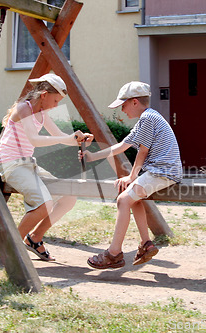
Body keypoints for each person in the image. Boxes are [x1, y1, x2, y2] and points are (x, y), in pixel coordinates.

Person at [80, 81, 183, 269]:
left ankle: (114, 254)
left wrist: (131, 177)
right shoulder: (148, 118)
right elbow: (123, 145)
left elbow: (142, 152)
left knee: (123, 200)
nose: (122, 110)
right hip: (161, 170)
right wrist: (93, 156)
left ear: (135, 102)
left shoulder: (148, 119)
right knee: (132, 198)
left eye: (123, 105)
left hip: (162, 171)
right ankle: (146, 244)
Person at [0, 73, 93, 261]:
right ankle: (11, 248)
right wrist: (68, 138)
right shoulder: (24, 108)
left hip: (28, 164)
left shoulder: (42, 114)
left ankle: (35, 238)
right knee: (43, 204)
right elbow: (35, 139)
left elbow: (59, 135)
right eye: (55, 100)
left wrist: (79, 140)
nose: (56, 105)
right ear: (43, 94)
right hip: (11, 164)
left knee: (68, 197)